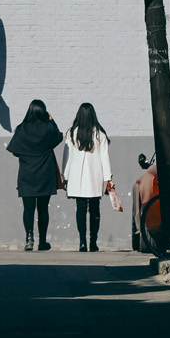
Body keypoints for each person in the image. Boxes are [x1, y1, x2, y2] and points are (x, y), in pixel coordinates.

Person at [6, 98, 64, 252]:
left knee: (28, 208)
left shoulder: (22, 128)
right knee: (43, 208)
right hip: (45, 173)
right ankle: (43, 241)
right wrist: (51, 120)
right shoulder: (47, 128)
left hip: (27, 174)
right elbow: (58, 136)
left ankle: (29, 238)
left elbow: (15, 151)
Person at [61, 102, 114, 252]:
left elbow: (67, 156)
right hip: (94, 176)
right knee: (95, 210)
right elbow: (105, 157)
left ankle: (82, 241)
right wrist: (108, 177)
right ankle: (93, 242)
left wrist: (65, 176)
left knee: (80, 209)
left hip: (77, 176)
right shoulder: (99, 134)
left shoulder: (72, 133)